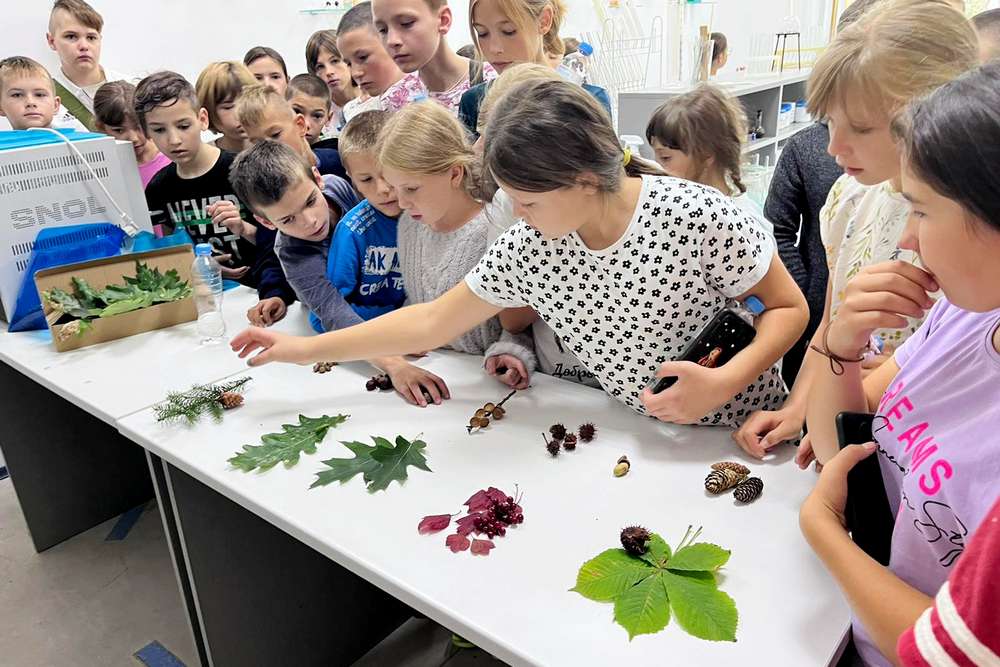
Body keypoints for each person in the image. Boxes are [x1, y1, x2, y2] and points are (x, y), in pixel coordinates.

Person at [231, 79, 808, 432]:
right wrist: (302, 350)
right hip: (643, 429)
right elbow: (431, 319)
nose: (516, 214)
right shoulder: (533, 245)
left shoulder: (699, 215)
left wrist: (726, 379)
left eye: (526, 199)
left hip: (744, 429)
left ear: (584, 179)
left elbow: (789, 309)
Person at [801, 59, 1000, 667]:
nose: (907, 239)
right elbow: (843, 443)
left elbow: (949, 651)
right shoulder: (971, 312)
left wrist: (827, 536)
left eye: (920, 211)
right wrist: (840, 343)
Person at [733, 0, 977, 460]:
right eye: (828, 122)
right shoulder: (850, 198)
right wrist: (799, 406)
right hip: (853, 432)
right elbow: (833, 324)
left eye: (861, 128)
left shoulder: (973, 243)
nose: (833, 146)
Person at [229, 140, 445, 406]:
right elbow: (335, 315)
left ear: (318, 179)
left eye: (310, 202)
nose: (310, 221)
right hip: (359, 318)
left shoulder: (337, 186)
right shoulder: (294, 255)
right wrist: (393, 363)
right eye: (287, 220)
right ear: (264, 222)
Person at [378, 101, 533, 373]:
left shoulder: (493, 229)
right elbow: (418, 304)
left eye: (412, 189)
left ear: (454, 173)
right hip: (427, 371)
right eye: (394, 188)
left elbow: (518, 322)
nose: (401, 202)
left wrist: (510, 353)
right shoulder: (409, 225)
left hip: (479, 379)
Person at [136, 71, 296, 326]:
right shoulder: (159, 188)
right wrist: (200, 267)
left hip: (269, 292)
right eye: (159, 130)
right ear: (146, 132)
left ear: (201, 118)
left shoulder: (242, 170)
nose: (174, 139)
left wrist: (243, 228)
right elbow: (170, 251)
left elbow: (283, 236)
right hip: (214, 302)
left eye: (183, 125)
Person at [458, 0, 611, 136]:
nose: (494, 48)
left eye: (508, 31)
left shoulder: (589, 99)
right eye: (482, 33)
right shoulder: (473, 101)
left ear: (544, 21)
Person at [645, 83, 773, 236]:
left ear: (705, 154)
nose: (657, 167)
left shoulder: (741, 223)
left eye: (665, 158)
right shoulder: (681, 208)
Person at [329, 110, 406, 322]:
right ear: (351, 179)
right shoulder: (351, 232)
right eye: (366, 179)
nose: (382, 189)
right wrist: (393, 325)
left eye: (388, 173)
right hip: (376, 337)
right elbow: (325, 315)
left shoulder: (427, 215)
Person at [371, 0, 495, 113]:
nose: (391, 41)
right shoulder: (393, 101)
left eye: (406, 23)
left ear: (443, 20)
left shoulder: (494, 80)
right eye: (383, 30)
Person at [46, 0, 129, 131]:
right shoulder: (43, 101)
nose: (84, 46)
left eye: (91, 37)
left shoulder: (133, 88)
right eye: (71, 36)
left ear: (100, 39)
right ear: (51, 41)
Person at [235, 83, 348, 180]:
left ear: (300, 125)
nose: (267, 148)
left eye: (275, 135)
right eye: (258, 143)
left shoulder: (340, 162)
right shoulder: (267, 189)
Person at [337, 1, 423, 123]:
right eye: (349, 63)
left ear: (388, 41)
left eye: (363, 57)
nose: (355, 73)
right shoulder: (356, 112)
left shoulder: (429, 93)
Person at [93, 80, 171, 188]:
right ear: (101, 128)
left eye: (138, 127)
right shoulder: (101, 170)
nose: (133, 138)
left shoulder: (172, 156)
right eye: (119, 130)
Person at [304, 30, 358, 138]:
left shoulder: (374, 97)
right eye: (320, 67)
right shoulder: (317, 113)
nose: (328, 72)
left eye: (335, 61)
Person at [195, 61, 256, 153]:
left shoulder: (275, 151)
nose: (240, 114)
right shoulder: (203, 158)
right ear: (208, 113)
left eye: (245, 102)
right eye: (228, 107)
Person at [0, 56, 62, 131]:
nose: (30, 102)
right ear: (1, 107)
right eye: (17, 95)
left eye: (39, 95)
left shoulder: (75, 141)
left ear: (56, 105)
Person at [286, 73, 333, 146]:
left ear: (329, 118)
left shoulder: (335, 154)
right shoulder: (269, 149)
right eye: (297, 112)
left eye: (317, 116)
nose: (306, 124)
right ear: (282, 109)